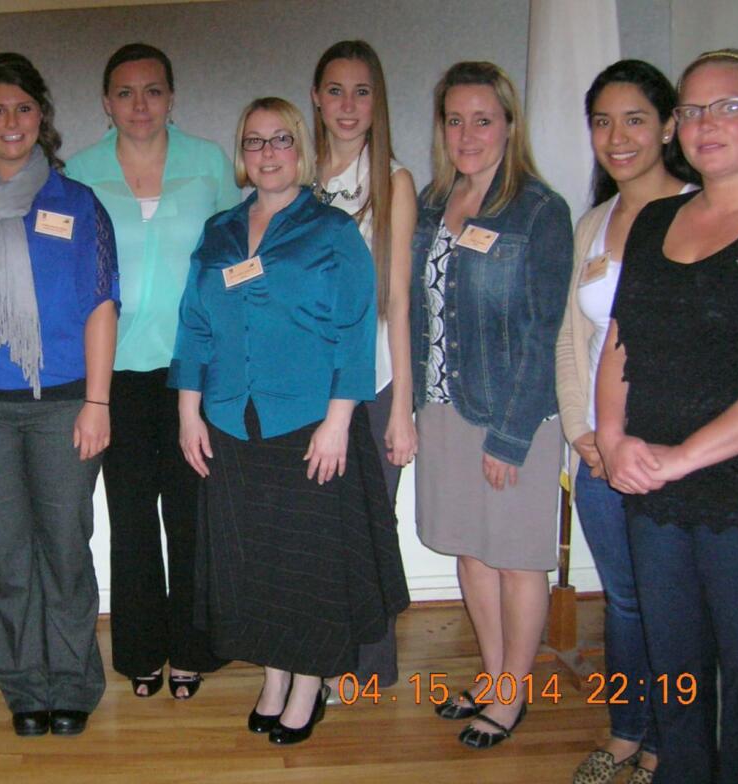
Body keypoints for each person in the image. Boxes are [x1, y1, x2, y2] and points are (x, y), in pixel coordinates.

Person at [171, 96, 409, 746]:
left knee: (308, 564)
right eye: (255, 142)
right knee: (260, 565)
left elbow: (357, 331)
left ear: (300, 151)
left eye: (281, 140)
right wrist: (189, 409)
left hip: (308, 423)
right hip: (231, 423)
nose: (268, 152)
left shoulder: (330, 231)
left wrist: (338, 422)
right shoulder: (219, 232)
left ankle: (308, 683)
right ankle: (275, 675)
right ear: (242, 154)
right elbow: (194, 323)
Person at [595, 48, 738, 784]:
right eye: (693, 110)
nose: (706, 124)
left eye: (728, 105)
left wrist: (681, 456)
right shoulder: (655, 220)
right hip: (651, 487)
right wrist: (612, 438)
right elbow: (620, 340)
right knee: (675, 675)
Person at [0, 52, 119, 739]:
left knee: (65, 549)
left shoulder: (78, 202)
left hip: (66, 402)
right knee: (7, 554)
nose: (12, 123)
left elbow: (102, 304)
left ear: (43, 117)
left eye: (24, 109)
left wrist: (98, 402)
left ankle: (72, 682)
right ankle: (24, 688)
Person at [65, 42, 239, 700]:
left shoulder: (208, 163)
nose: (141, 104)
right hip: (115, 377)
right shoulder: (78, 173)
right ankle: (140, 650)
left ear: (172, 97)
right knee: (131, 517)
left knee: (191, 516)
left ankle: (193, 648)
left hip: (195, 372)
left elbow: (233, 259)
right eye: (126, 93)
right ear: (106, 104)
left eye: (154, 90)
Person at [409, 61, 572, 748]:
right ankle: (492, 670)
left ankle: (512, 693)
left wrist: (510, 434)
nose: (468, 133)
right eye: (455, 119)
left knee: (515, 557)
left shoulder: (539, 210)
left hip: (512, 412)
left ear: (509, 124)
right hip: (443, 404)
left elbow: (544, 328)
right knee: (471, 552)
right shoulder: (427, 203)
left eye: (483, 119)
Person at [556, 60, 696, 784]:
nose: (617, 136)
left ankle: (674, 743)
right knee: (625, 601)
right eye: (602, 121)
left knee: (678, 607)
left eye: (635, 118)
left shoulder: (702, 210)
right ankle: (626, 729)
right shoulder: (592, 223)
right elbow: (570, 341)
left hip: (676, 456)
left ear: (669, 126)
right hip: (599, 456)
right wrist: (585, 439)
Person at [310, 38, 417, 695]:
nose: (348, 105)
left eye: (362, 91)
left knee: (371, 526)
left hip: (372, 380)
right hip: (306, 385)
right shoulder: (297, 174)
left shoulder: (393, 180)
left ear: (378, 102)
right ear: (317, 99)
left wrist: (401, 405)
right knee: (319, 524)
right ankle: (323, 654)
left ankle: (369, 667)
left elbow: (400, 299)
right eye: (336, 91)